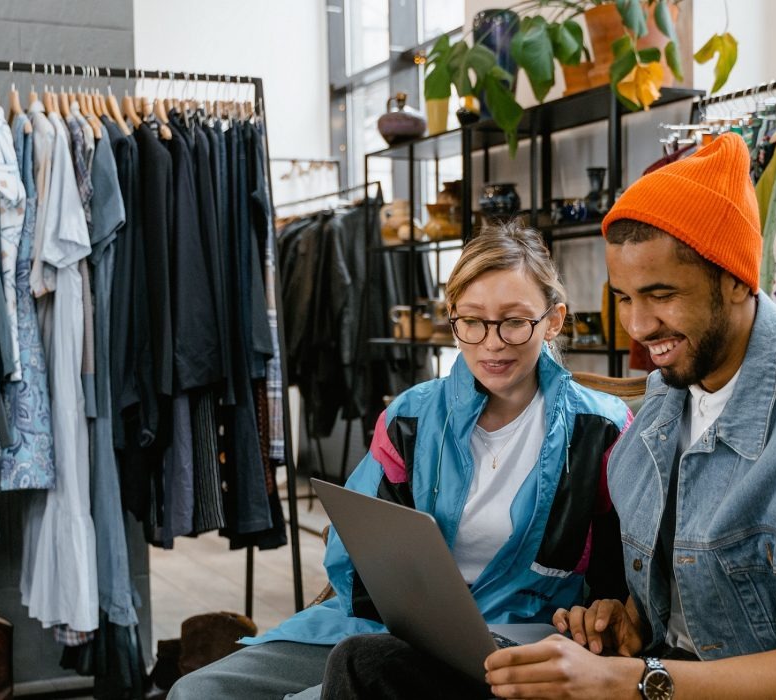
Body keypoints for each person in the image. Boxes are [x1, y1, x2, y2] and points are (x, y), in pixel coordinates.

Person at [319, 133, 776, 699]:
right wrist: (619, 623)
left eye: (662, 295)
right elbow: (670, 609)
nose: (640, 328)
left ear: (735, 281)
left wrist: (634, 679)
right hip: (653, 681)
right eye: (623, 299)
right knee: (364, 666)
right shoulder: (666, 402)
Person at [168, 223, 632, 700]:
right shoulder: (411, 417)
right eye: (471, 320)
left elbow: (624, 574)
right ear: (451, 317)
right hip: (387, 628)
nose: (492, 343)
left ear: (552, 321)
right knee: (200, 691)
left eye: (514, 321)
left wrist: (602, 610)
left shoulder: (602, 430)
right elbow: (357, 544)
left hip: (516, 645)